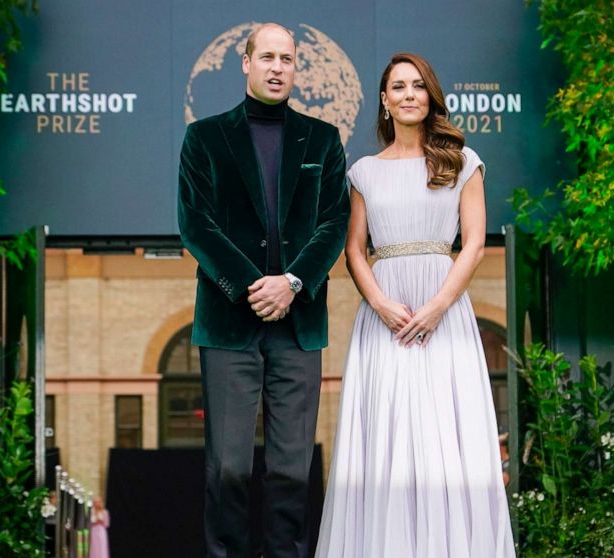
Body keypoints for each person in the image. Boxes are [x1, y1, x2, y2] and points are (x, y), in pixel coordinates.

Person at [315, 53, 516, 558]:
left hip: (444, 315)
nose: (408, 94)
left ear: (430, 96)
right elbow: (354, 250)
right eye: (398, 87)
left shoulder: (462, 161)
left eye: (417, 86)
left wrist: (438, 306)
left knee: (444, 438)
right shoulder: (362, 171)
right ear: (384, 100)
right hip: (383, 320)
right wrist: (380, 302)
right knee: (387, 439)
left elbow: (472, 244)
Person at [177, 22, 350, 558]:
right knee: (227, 466)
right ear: (246, 63)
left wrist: (292, 284)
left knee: (291, 467)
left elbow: (334, 222)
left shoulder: (322, 138)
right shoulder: (203, 137)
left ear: (297, 67)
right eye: (268, 57)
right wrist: (256, 287)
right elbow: (196, 225)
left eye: (288, 59)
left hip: (299, 328)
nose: (278, 67)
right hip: (230, 324)